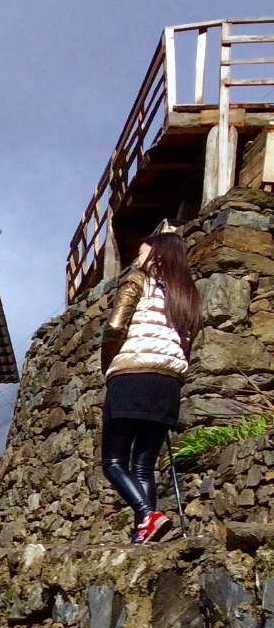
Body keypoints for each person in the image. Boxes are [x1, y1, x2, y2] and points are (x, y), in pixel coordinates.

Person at [99, 225, 203, 543]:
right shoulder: (187, 294)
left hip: (132, 377)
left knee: (114, 461)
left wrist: (109, 364)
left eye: (141, 252)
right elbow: (188, 341)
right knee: (144, 464)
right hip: (168, 384)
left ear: (155, 254)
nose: (136, 258)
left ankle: (147, 515)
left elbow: (116, 325)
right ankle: (144, 533)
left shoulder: (137, 281)